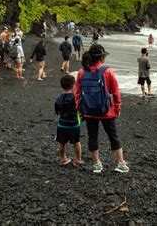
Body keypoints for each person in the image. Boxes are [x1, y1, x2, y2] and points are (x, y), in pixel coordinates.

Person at [75, 44, 129, 174]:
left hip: (88, 111)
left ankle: (96, 164)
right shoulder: (107, 71)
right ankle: (121, 163)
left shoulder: (82, 72)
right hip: (106, 111)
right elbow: (115, 92)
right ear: (101, 57)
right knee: (113, 136)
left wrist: (79, 108)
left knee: (92, 137)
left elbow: (77, 92)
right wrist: (117, 107)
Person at [54, 75, 82, 167]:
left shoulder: (58, 98)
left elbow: (57, 111)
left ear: (61, 86)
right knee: (76, 142)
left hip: (62, 124)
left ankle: (63, 158)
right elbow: (80, 109)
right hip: (74, 124)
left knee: (62, 142)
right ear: (74, 86)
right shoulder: (76, 98)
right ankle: (78, 160)